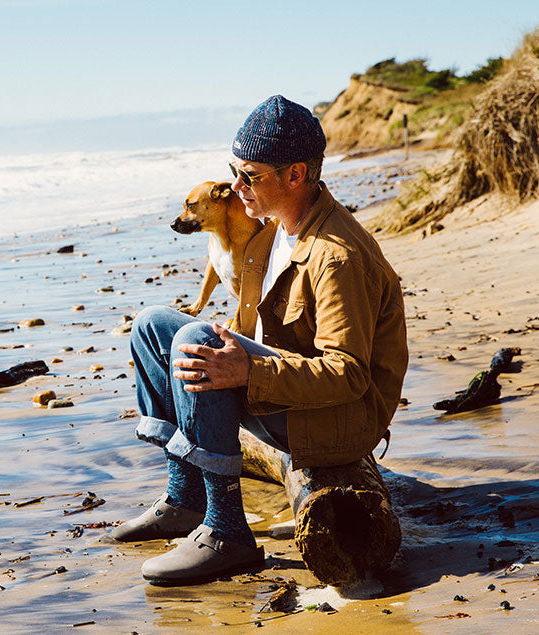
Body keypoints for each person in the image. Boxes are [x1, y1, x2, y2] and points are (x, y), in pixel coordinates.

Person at [112, 95, 408, 586]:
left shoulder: (336, 257)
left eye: (250, 176)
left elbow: (349, 374)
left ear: (295, 175)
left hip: (339, 423)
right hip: (291, 398)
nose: (235, 187)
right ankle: (185, 497)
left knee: (193, 337)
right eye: (234, 171)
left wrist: (250, 370)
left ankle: (227, 532)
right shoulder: (272, 234)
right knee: (151, 326)